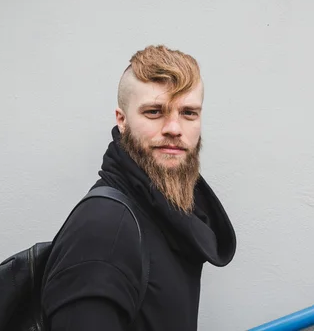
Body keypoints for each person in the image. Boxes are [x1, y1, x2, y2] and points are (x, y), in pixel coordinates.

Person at [41, 45, 237, 330]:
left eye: (189, 113)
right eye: (155, 112)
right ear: (122, 120)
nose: (174, 128)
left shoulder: (169, 215)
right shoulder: (104, 232)